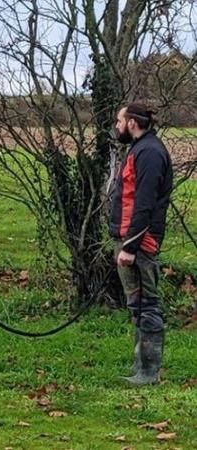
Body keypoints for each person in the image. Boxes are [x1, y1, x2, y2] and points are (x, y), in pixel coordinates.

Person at [110, 102, 173, 385]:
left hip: (140, 243)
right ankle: (141, 369)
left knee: (147, 305)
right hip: (129, 239)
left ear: (132, 123)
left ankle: (149, 373)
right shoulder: (140, 148)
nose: (117, 126)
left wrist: (130, 247)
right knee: (137, 306)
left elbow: (145, 204)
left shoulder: (149, 152)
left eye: (119, 121)